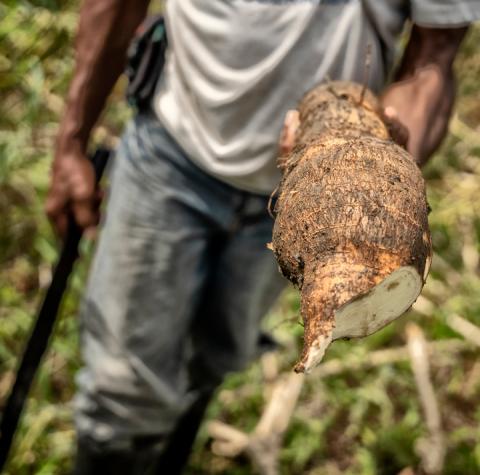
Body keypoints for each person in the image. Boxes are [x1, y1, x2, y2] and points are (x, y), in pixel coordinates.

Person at [46, 1, 479, 473]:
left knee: (213, 361)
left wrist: (378, 162)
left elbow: (433, 58)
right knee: (122, 388)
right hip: (171, 156)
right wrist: (72, 140)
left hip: (305, 204)